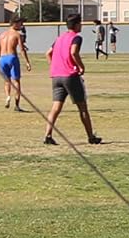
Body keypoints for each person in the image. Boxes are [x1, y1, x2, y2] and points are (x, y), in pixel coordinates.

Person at [43, 15, 102, 146]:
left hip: (56, 77)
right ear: (76, 25)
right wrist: (81, 66)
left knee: (55, 107)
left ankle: (48, 134)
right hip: (70, 76)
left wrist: (54, 66)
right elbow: (74, 51)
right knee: (82, 107)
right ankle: (91, 136)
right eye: (80, 24)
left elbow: (48, 53)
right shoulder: (76, 37)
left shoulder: (59, 38)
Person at [0, 18, 28, 111]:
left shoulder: (2, 35)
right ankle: (17, 105)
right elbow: (22, 49)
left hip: (2, 58)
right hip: (12, 57)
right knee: (16, 81)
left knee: (7, 81)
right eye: (20, 24)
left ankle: (8, 96)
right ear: (14, 24)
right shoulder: (17, 35)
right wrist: (27, 62)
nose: (21, 26)